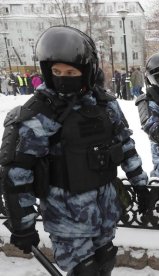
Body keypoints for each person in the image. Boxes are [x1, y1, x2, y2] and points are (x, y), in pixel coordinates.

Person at [0, 26, 149, 276]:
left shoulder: (105, 105)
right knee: (84, 272)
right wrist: (22, 225)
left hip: (105, 211)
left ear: (87, 72)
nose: (62, 77)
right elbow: (17, 173)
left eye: (71, 72)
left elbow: (125, 147)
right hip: (66, 219)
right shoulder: (40, 112)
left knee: (105, 263)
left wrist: (140, 184)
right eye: (56, 71)